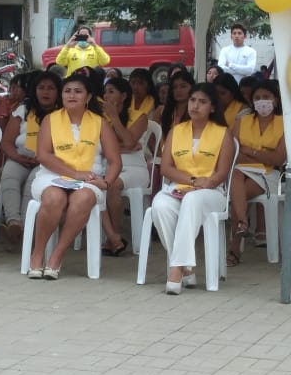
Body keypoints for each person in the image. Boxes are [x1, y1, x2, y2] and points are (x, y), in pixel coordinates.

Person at [27, 73, 121, 279]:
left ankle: (57, 255)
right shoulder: (50, 120)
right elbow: (43, 155)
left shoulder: (100, 123)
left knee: (84, 198)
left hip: (89, 179)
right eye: (67, 91)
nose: (71, 95)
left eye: (78, 92)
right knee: (54, 197)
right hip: (52, 176)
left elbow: (115, 161)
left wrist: (106, 182)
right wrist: (75, 174)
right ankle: (38, 253)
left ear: (88, 97)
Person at [152, 82, 234, 294]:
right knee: (160, 205)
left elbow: (222, 172)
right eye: (192, 100)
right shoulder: (176, 131)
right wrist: (193, 181)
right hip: (181, 187)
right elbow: (166, 168)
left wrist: (206, 183)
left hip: (212, 192)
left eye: (202, 102)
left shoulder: (223, 133)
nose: (195, 105)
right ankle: (186, 267)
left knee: (192, 200)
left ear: (212, 107)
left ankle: (175, 270)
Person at [0, 71, 62, 247]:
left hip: (50, 160)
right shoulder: (24, 109)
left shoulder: (63, 113)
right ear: (34, 90)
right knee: (9, 174)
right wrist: (17, 157)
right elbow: (7, 142)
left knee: (32, 183)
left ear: (58, 91)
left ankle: (26, 228)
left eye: (51, 88)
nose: (45, 92)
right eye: (41, 88)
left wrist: (44, 158)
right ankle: (14, 223)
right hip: (22, 156)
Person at [228, 80, 286, 266]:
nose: (262, 101)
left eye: (266, 97)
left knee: (238, 194)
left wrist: (251, 152)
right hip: (242, 170)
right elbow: (234, 154)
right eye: (257, 98)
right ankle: (243, 222)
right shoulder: (243, 121)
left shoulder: (284, 123)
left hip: (270, 175)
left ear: (275, 100)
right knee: (236, 175)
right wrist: (262, 156)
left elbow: (279, 159)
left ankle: (235, 247)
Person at [100, 76, 149, 255]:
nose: (106, 96)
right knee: (95, 185)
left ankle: (113, 236)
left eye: (111, 91)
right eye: (105, 92)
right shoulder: (100, 119)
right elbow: (99, 147)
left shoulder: (139, 116)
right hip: (109, 166)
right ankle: (114, 237)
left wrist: (114, 117)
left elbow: (129, 141)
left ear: (123, 96)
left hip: (135, 169)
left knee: (112, 184)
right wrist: (122, 148)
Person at [160, 68, 195, 140]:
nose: (178, 90)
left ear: (192, 87)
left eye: (183, 86)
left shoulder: (197, 111)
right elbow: (153, 138)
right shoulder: (161, 110)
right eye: (175, 87)